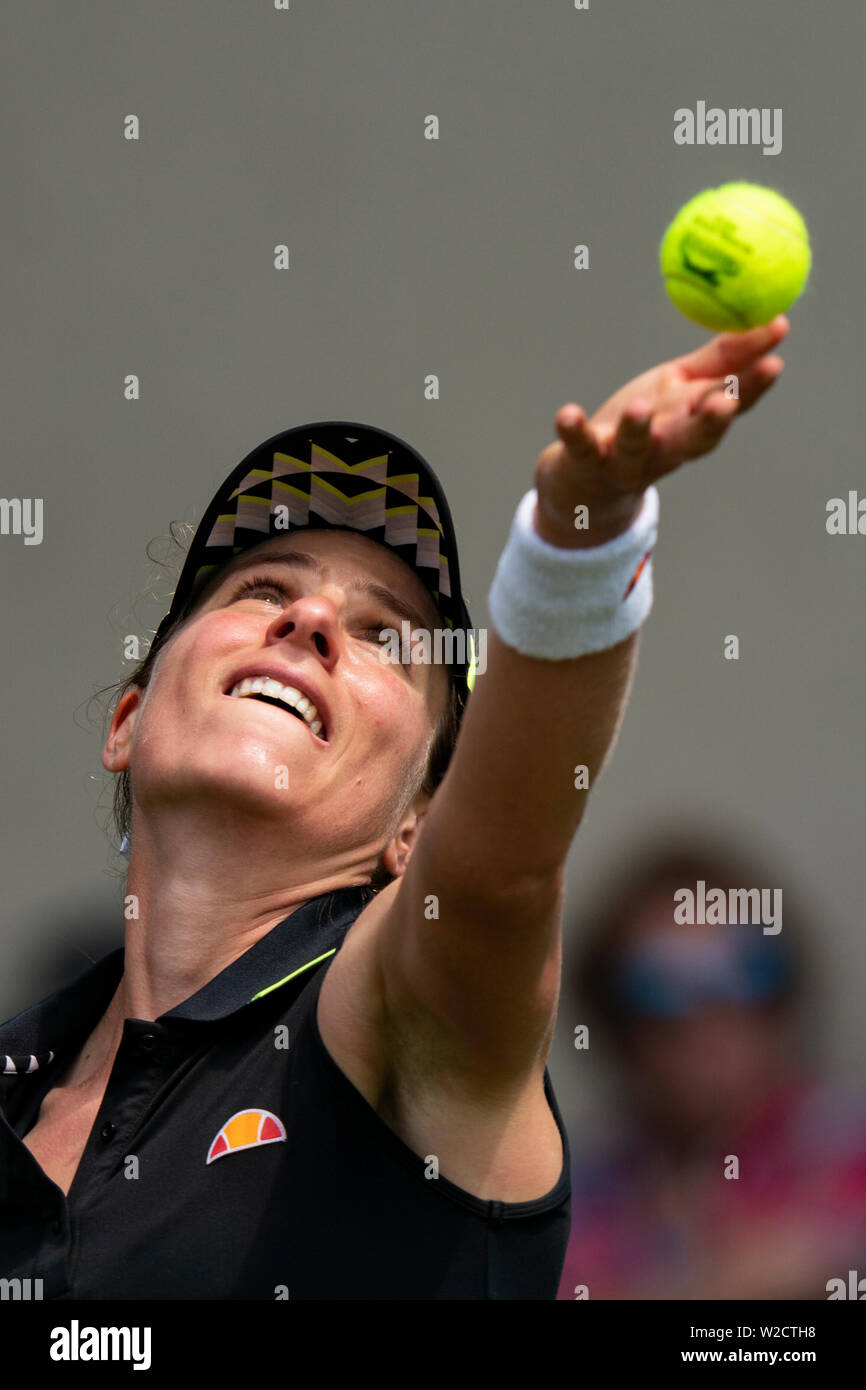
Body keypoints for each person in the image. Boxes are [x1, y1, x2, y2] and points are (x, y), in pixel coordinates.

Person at [0, 320, 788, 1299]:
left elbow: (501, 872)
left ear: (418, 823)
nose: (312, 619)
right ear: (129, 719)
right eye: (259, 588)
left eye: (386, 636)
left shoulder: (394, 1014)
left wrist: (581, 535)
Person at [556, 834, 866, 1300]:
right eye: (661, 985)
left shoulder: (847, 1137)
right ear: (613, 1022)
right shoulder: (571, 1192)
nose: (712, 1012)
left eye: (749, 967)